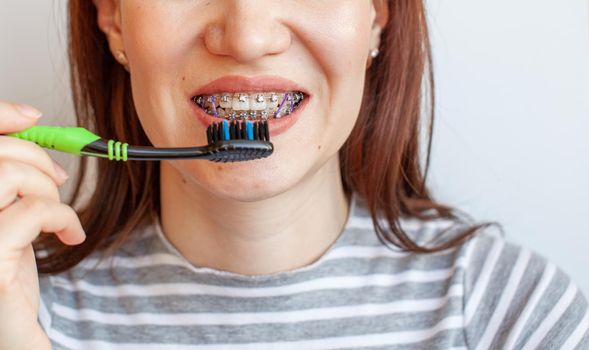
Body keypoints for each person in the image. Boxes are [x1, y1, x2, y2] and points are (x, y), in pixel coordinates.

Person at [0, 0, 587, 349]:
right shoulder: (18, 310)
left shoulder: (512, 314)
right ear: (114, 17)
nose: (250, 37)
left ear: (376, 15)